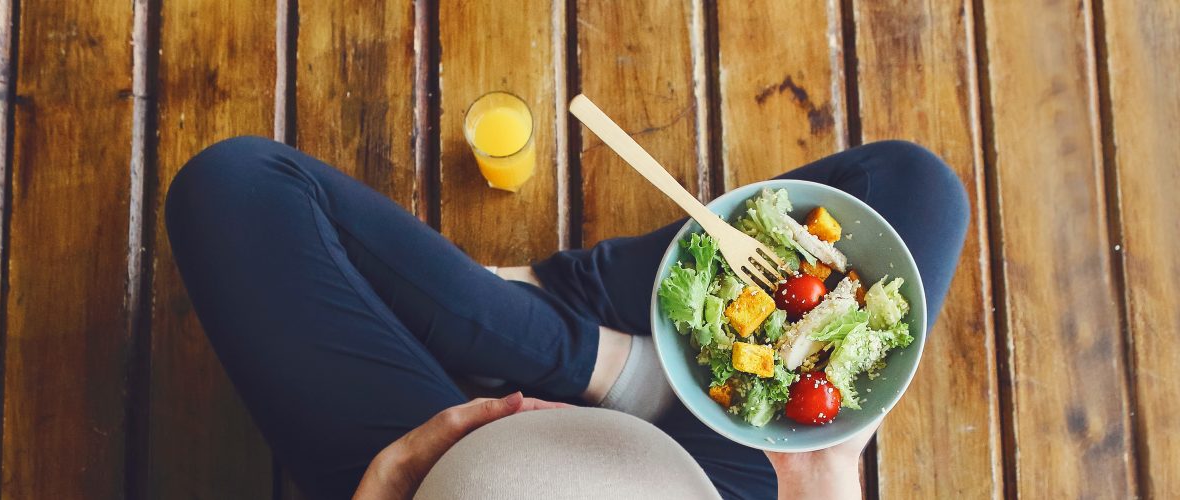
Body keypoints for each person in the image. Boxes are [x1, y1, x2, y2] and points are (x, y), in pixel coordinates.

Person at [165, 136, 968, 500]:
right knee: (915, 188)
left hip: (419, 464)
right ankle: (604, 351)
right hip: (701, 482)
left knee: (233, 187)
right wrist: (821, 479)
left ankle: (563, 334)